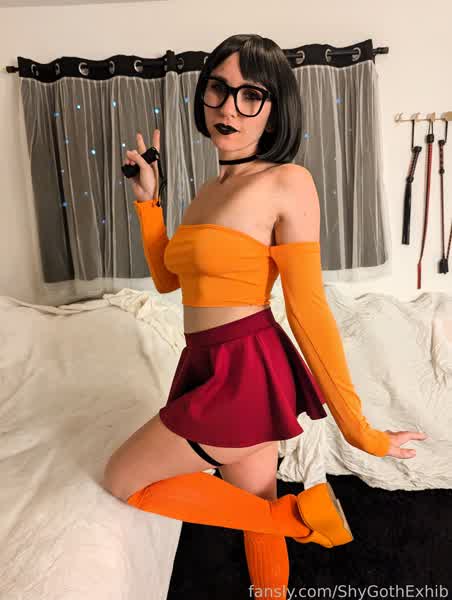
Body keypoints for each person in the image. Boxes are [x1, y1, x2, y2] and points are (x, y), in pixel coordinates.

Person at [103, 34, 428, 598]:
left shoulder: (287, 182)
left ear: (276, 109)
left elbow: (308, 309)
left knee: (122, 478)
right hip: (206, 363)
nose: (229, 107)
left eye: (251, 95)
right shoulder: (208, 191)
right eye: (218, 89)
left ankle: (297, 520)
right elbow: (170, 280)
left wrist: (360, 431)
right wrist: (147, 202)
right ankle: (282, 548)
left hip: (245, 368)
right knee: (256, 507)